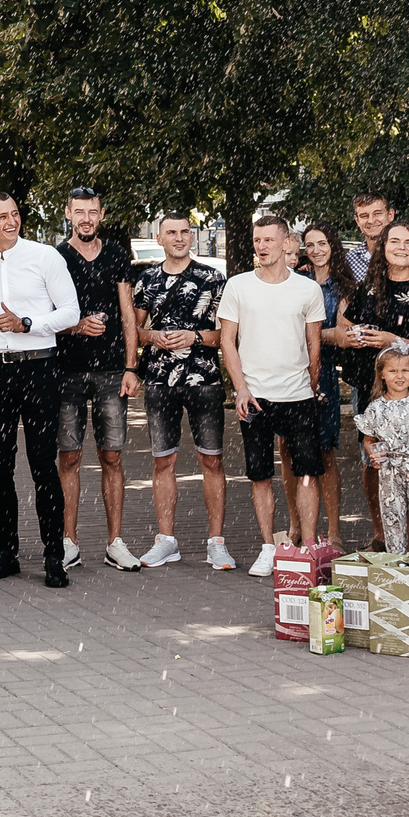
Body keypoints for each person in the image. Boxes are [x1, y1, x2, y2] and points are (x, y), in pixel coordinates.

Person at [0, 192, 81, 586]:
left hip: (39, 368)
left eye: (15, 214)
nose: (11, 221)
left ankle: (54, 555)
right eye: (1, 216)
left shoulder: (44, 256)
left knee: (42, 465)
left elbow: (72, 312)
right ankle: (9, 551)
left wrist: (27, 323)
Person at [220, 211, 328, 576]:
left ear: (287, 244)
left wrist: (311, 387)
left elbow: (314, 345)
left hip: (298, 396)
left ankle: (309, 545)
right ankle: (269, 547)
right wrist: (240, 389)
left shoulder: (308, 289)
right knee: (260, 474)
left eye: (268, 240)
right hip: (255, 398)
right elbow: (227, 341)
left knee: (308, 472)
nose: (261, 246)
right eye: (257, 240)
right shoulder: (238, 285)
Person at [339, 220, 409, 550]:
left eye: (408, 242)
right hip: (375, 394)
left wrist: (396, 341)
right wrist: (354, 338)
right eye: (394, 242)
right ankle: (387, 540)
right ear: (383, 248)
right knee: (375, 462)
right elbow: (345, 329)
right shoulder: (368, 288)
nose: (401, 247)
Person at [131, 213, 233, 569]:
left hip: (204, 379)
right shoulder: (146, 280)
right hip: (160, 380)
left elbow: (227, 335)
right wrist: (153, 337)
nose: (179, 237)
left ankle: (216, 542)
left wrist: (195, 337)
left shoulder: (213, 279)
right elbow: (136, 331)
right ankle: (166, 540)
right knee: (163, 461)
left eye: (185, 232)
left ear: (192, 236)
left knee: (213, 459)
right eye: (171, 233)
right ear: (159, 239)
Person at [55, 188, 141, 570]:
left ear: (102, 214)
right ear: (69, 214)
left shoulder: (118, 255)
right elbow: (46, 317)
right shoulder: (56, 257)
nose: (86, 218)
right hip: (67, 371)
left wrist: (131, 367)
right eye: (79, 212)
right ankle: (68, 541)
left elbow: (128, 316)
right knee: (69, 458)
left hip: (110, 372)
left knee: (112, 457)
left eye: (92, 212)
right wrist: (75, 326)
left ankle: (115, 543)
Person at [354, 348, 409, 558]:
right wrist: (373, 455)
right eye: (393, 371)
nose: (400, 376)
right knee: (392, 521)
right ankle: (397, 570)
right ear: (382, 374)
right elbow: (369, 441)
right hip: (389, 474)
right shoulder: (375, 409)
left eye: (405, 370)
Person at [299, 223, 353, 550]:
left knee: (325, 454)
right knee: (291, 452)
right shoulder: (297, 280)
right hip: (291, 372)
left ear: (333, 245)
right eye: (310, 244)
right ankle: (297, 525)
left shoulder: (344, 286)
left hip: (325, 376)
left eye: (322, 243)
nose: (317, 250)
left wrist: (308, 334)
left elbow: (344, 336)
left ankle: (333, 530)